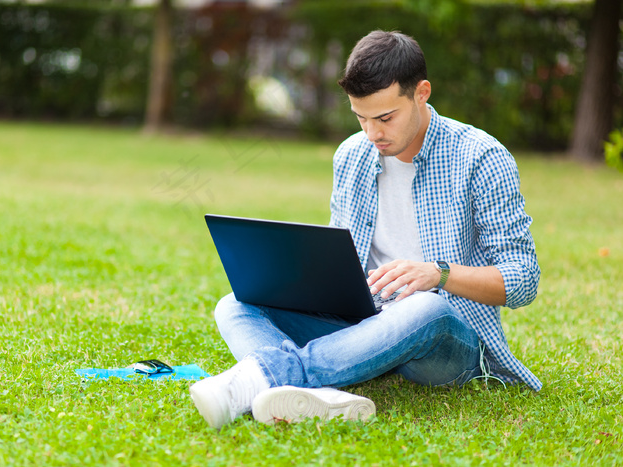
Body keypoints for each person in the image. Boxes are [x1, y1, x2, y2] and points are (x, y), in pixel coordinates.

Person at [189, 30, 541, 429]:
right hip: (364, 325)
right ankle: (320, 395)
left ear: (421, 92)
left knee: (425, 305)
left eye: (385, 118)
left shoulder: (482, 157)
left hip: (444, 337)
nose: (372, 133)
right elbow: (340, 260)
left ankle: (259, 380)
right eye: (361, 117)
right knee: (235, 304)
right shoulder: (352, 155)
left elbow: (523, 279)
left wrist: (436, 273)